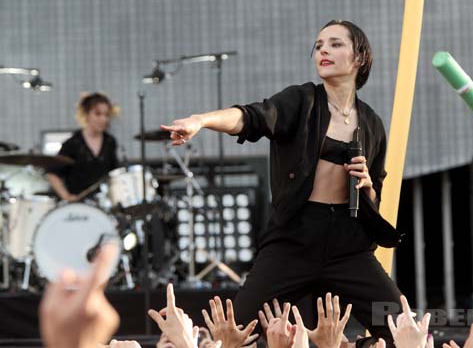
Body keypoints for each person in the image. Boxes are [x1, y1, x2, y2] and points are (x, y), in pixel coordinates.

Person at [162, 20, 403, 346]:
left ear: (359, 57)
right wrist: (200, 121)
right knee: (237, 330)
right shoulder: (302, 101)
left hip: (349, 247)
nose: (323, 51)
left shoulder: (372, 122)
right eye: (319, 46)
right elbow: (250, 117)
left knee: (401, 328)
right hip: (294, 240)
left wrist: (367, 185)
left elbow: (378, 192)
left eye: (335, 44)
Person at [48, 92, 119, 202]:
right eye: (98, 114)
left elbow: (114, 173)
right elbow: (53, 174)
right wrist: (66, 196)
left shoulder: (110, 142)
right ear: (86, 114)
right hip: (78, 206)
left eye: (106, 115)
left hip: (104, 203)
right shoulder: (72, 143)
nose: (104, 119)